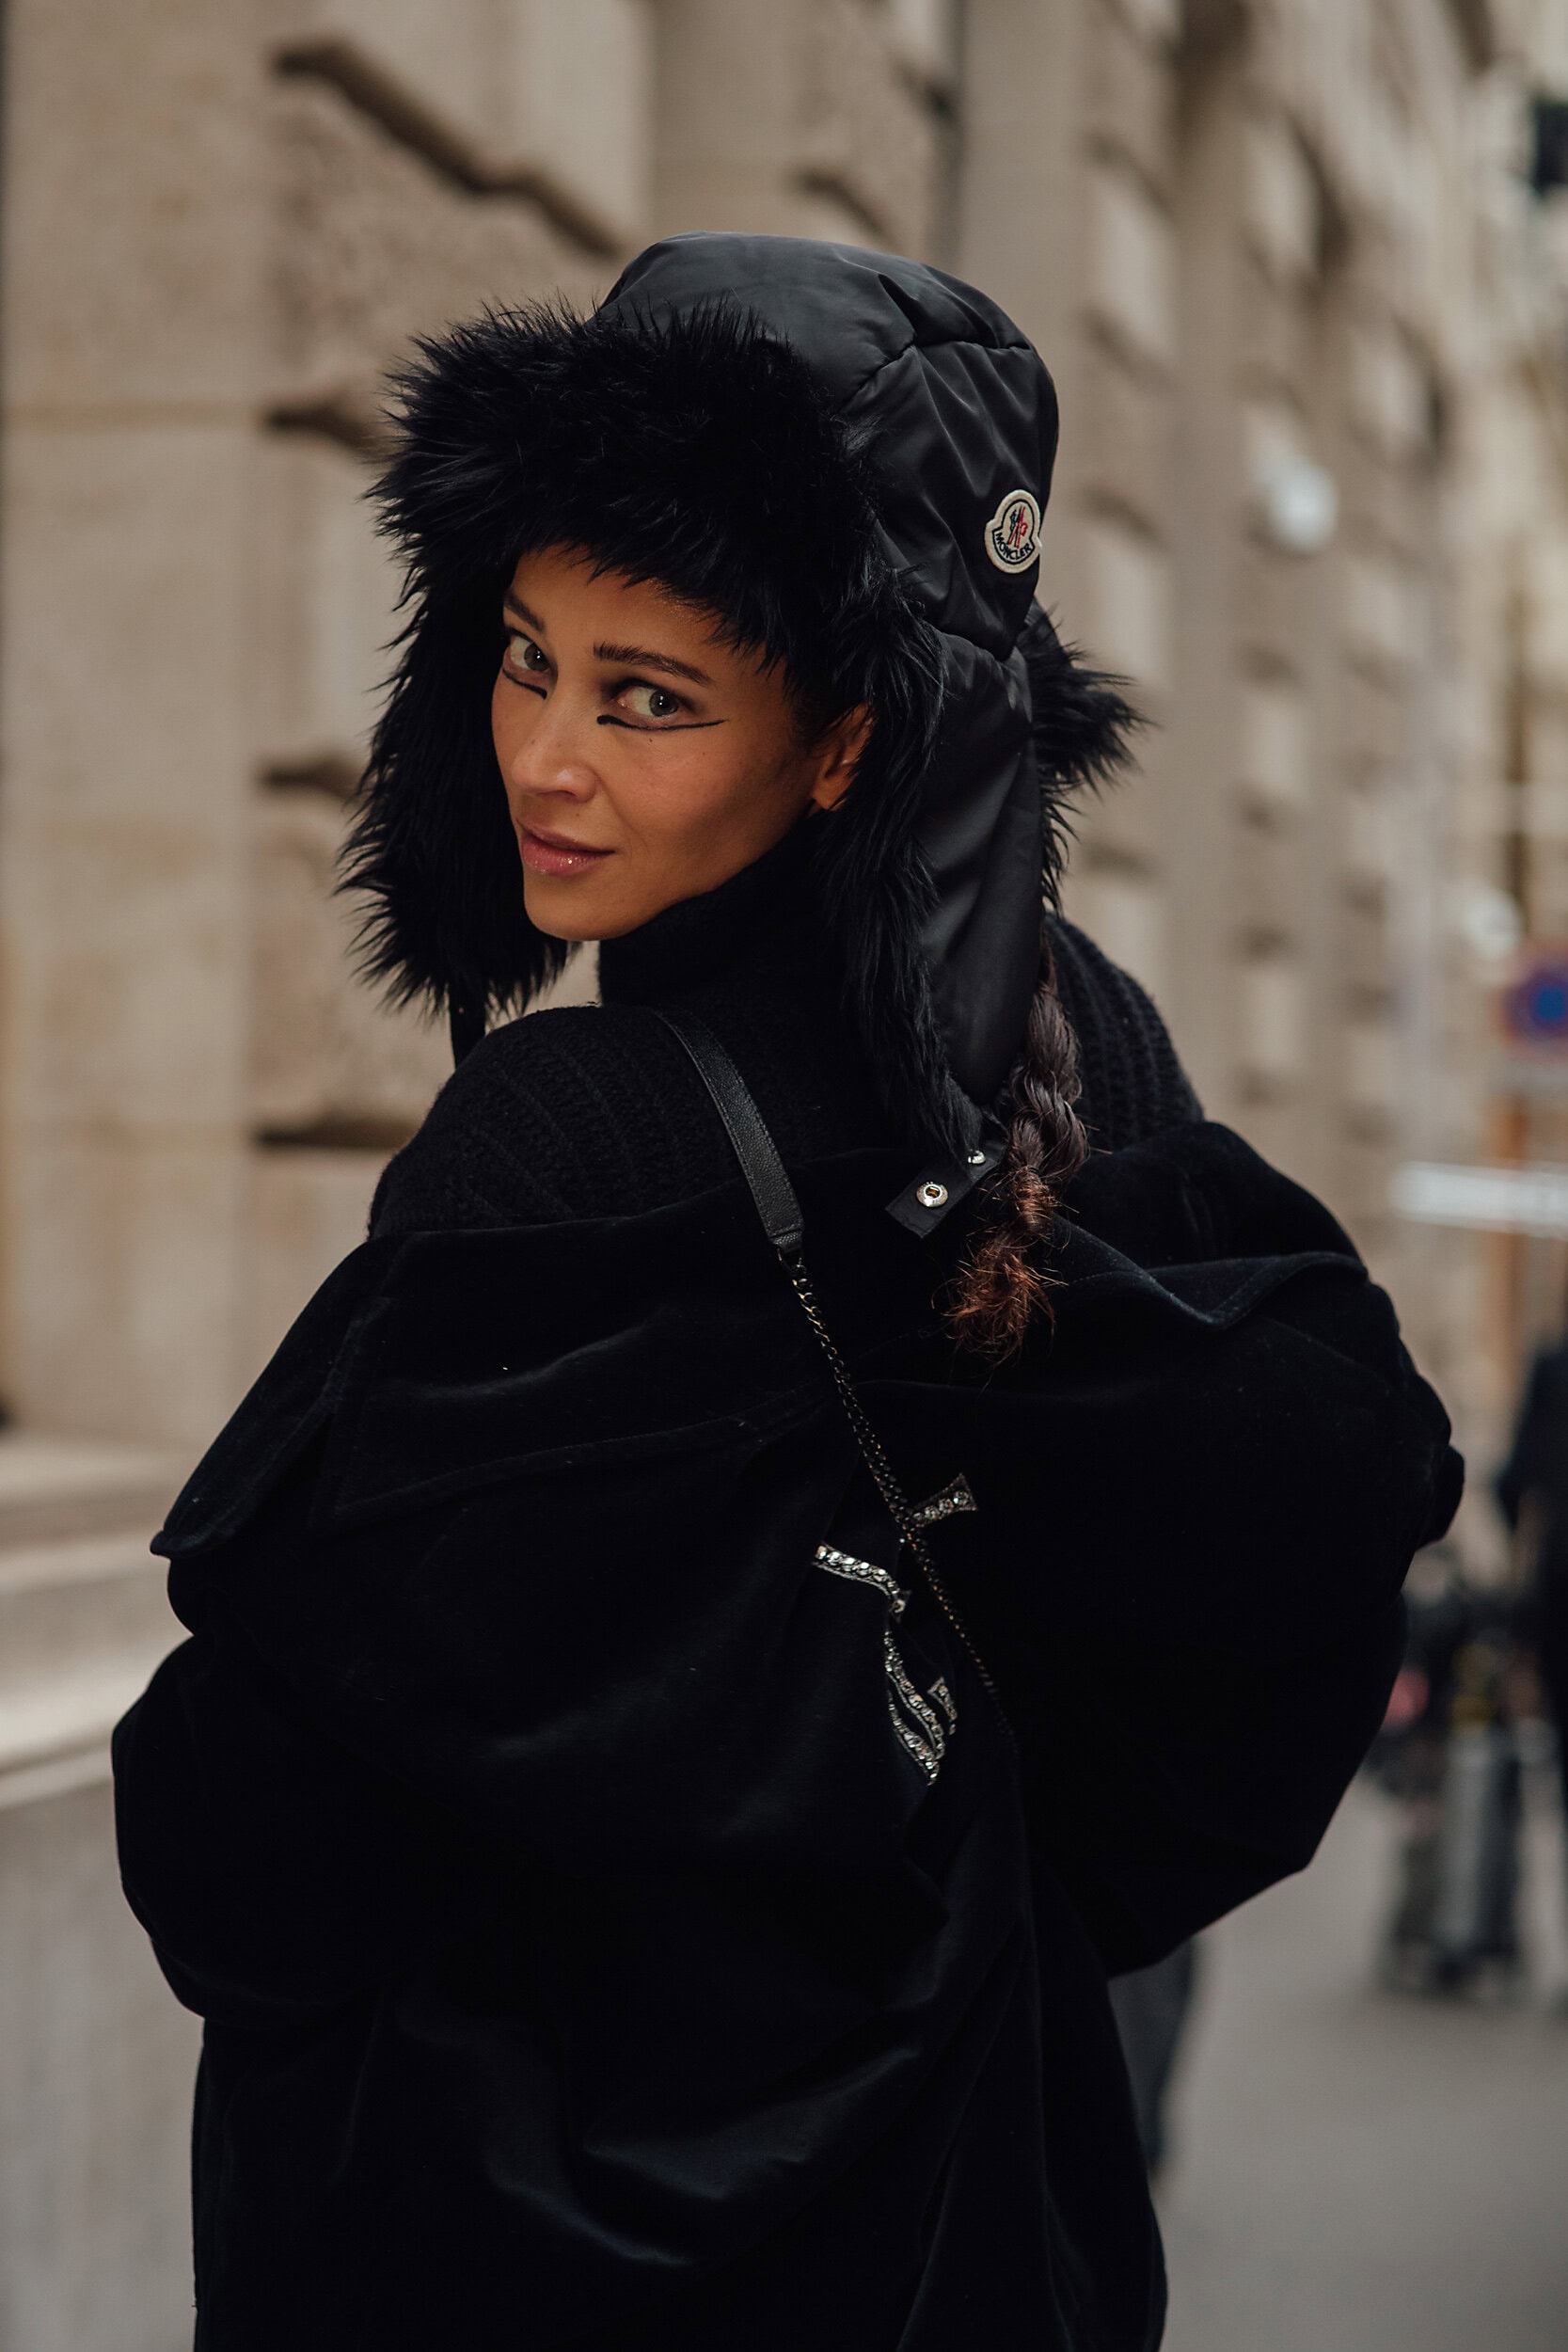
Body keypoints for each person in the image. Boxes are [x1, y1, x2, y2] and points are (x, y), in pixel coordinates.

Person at [112, 234, 1462, 2351]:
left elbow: (243, 1855)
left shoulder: (570, 1143)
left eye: (648, 698)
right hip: (970, 2217)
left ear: (847, 742)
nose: (545, 758)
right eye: (527, 659)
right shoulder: (1093, 1048)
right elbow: (1256, 1663)